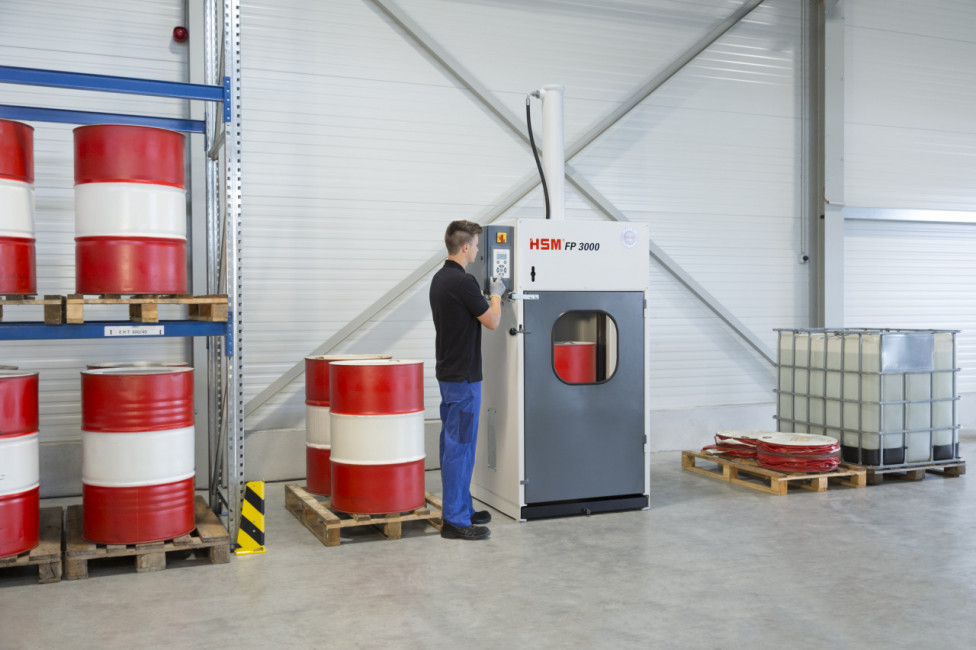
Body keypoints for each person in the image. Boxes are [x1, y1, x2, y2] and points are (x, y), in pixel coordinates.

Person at [429, 220, 504, 540]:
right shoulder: (463, 282)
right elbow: (493, 321)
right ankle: (456, 522)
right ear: (465, 247)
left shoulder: (440, 278)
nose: (477, 250)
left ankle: (463, 507)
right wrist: (496, 295)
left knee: (456, 445)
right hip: (464, 378)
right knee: (460, 447)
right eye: (475, 245)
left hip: (450, 374)